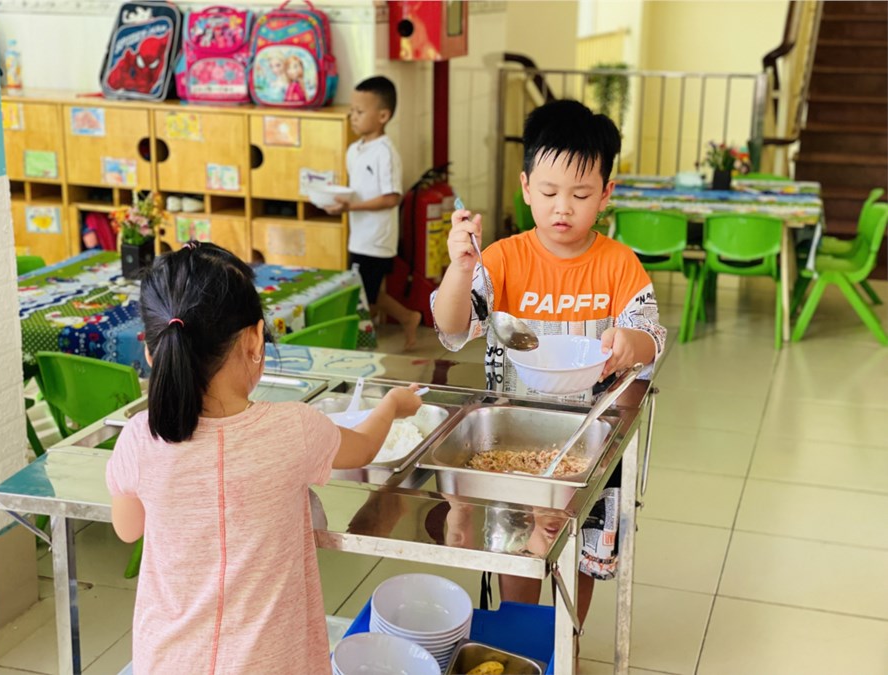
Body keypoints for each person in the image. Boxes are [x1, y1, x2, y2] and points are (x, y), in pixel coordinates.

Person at [106, 242, 422, 674]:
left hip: (166, 660)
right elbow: (365, 447)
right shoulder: (293, 428)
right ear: (255, 339)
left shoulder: (140, 437)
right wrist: (392, 405)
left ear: (151, 351)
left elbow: (127, 529)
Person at [431, 99, 666, 633]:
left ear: (605, 194)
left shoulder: (620, 264)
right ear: (525, 187)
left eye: (580, 196)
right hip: (513, 442)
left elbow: (652, 340)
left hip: (592, 445)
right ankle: (522, 638)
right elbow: (452, 327)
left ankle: (565, 642)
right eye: (549, 192)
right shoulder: (502, 258)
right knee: (517, 545)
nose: (563, 208)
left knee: (581, 555)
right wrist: (460, 269)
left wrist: (631, 342)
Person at [324, 76, 421, 350]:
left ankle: (367, 339)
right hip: (359, 235)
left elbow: (392, 197)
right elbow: (358, 190)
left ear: (382, 116)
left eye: (359, 111)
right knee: (369, 291)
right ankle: (407, 318)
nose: (352, 117)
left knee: (362, 292)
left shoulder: (385, 153)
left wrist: (350, 207)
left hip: (377, 238)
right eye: (351, 110)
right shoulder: (353, 150)